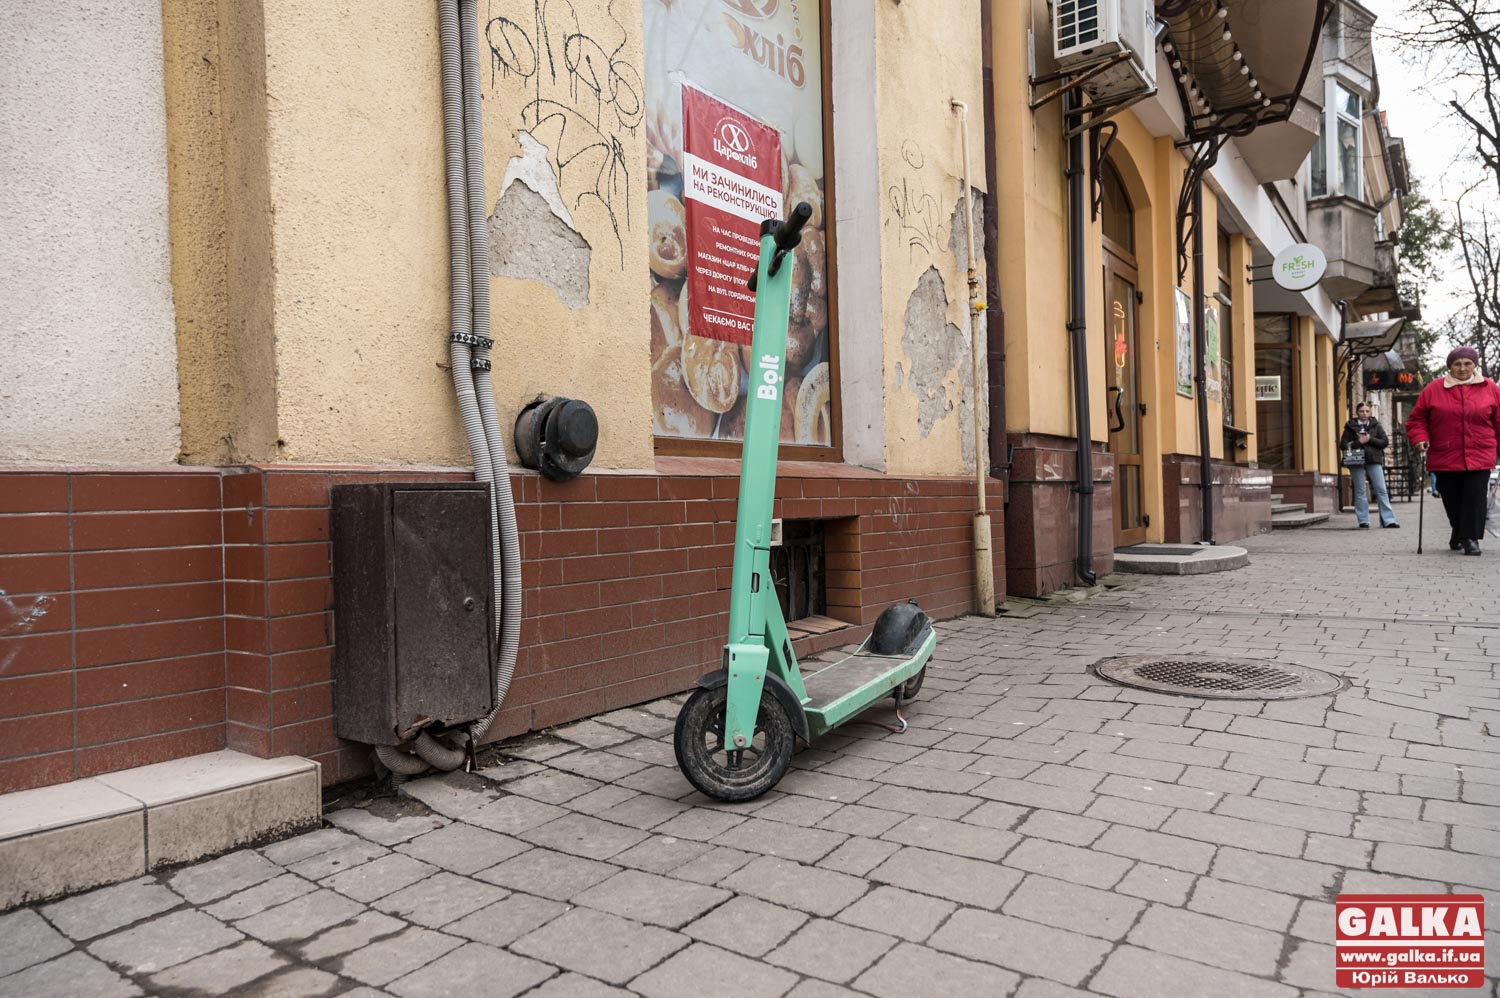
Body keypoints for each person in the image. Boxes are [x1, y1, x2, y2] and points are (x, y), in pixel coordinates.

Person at [1406, 346, 1500, 555]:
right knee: (1452, 499)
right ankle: (1458, 530)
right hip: (1444, 454)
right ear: (1450, 366)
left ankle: (1470, 538)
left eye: (1467, 363)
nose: (1462, 368)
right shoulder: (1434, 389)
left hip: (1480, 453)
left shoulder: (1491, 388)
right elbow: (1417, 420)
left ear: (1474, 365)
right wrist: (1420, 438)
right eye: (1457, 364)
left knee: (1475, 496)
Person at [1339, 401, 1398, 528]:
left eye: (1367, 411)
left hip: (1374, 459)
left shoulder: (1376, 425)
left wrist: (1369, 439)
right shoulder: (1350, 426)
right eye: (1361, 411)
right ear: (1357, 413)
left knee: (1381, 489)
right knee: (1360, 491)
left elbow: (1384, 442)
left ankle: (1388, 520)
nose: (1364, 414)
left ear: (1370, 412)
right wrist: (1358, 442)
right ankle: (1363, 521)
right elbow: (1343, 445)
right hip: (1355, 460)